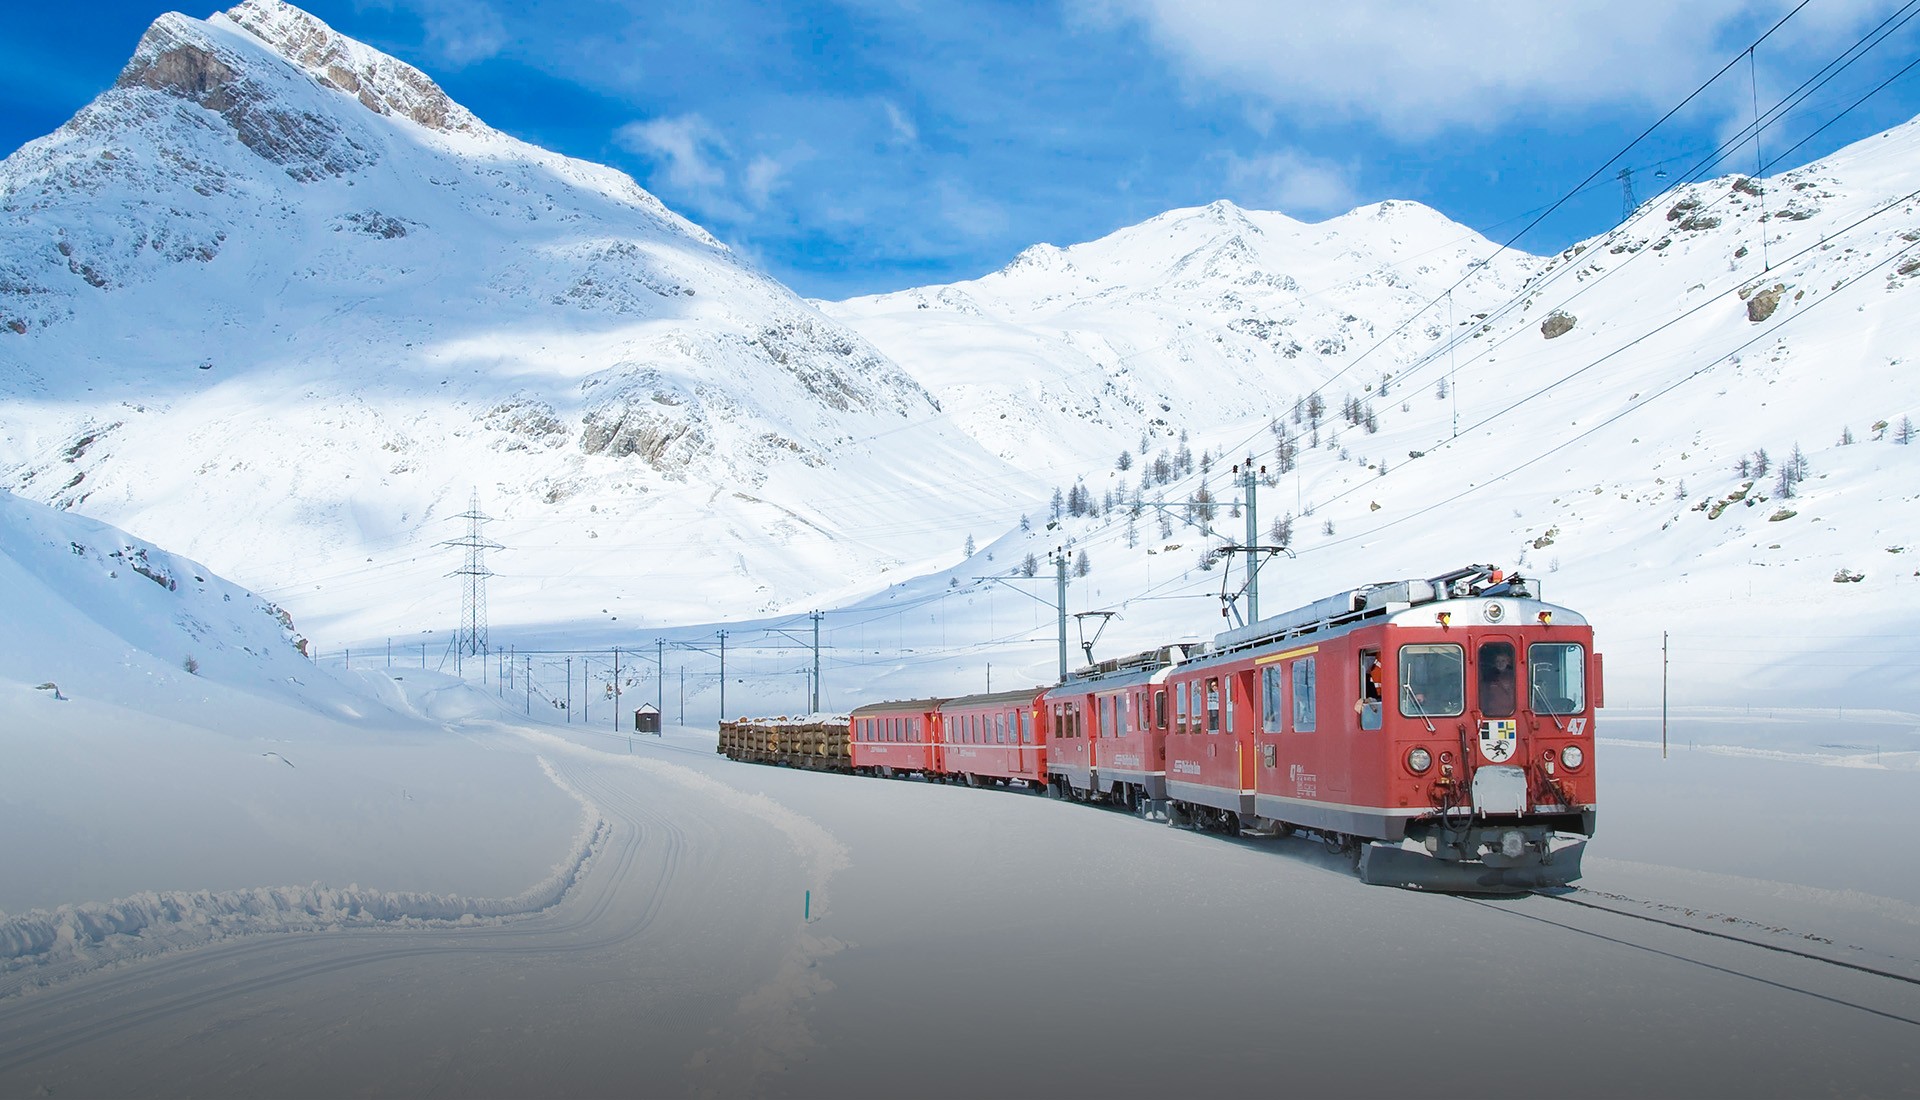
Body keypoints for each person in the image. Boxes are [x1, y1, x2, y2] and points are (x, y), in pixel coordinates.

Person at [1480, 647, 1516, 716]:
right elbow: (1484, 696)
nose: (1500, 663)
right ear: (1494, 663)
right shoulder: (1489, 677)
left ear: (1508, 662)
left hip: (1512, 714)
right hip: (1493, 714)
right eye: (1497, 661)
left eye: (1503, 661)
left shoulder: (1515, 676)